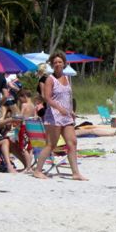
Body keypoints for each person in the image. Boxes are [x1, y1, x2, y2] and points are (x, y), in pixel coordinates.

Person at [32, 52, 87, 180]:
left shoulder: (67, 78)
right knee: (51, 144)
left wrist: (71, 110)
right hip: (54, 116)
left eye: (60, 62)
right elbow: (47, 98)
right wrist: (59, 108)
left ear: (64, 63)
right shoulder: (50, 79)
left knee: (72, 142)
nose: (57, 64)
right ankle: (38, 170)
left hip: (66, 116)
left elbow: (69, 96)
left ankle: (75, 173)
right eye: (55, 62)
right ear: (52, 65)